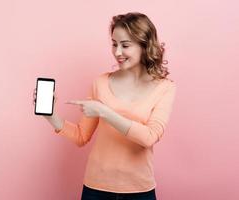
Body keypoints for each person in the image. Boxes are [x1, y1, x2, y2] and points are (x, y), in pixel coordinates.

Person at [34, 12, 176, 200]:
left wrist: (104, 111)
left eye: (125, 45)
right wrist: (50, 115)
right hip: (96, 189)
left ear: (144, 45)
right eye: (114, 44)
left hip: (140, 191)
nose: (117, 52)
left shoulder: (164, 88)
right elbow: (80, 136)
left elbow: (149, 137)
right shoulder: (100, 83)